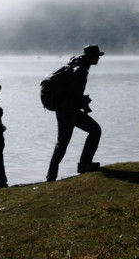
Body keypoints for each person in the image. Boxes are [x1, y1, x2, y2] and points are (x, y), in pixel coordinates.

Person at [46, 45, 103, 182]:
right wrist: (83, 100)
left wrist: (81, 101)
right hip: (68, 110)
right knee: (93, 131)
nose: (98, 58)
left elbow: (71, 93)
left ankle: (52, 176)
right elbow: (73, 94)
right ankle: (83, 164)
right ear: (90, 56)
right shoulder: (81, 70)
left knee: (63, 143)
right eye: (96, 56)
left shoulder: (76, 65)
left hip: (64, 109)